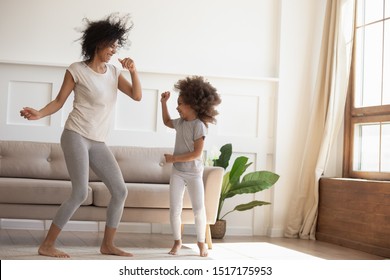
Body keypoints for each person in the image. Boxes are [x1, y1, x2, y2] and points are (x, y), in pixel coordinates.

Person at [19, 13, 142, 258]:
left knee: (120, 190)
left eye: (116, 46)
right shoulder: (77, 70)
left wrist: (133, 71)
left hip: (98, 141)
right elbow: (58, 102)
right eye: (111, 45)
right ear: (98, 43)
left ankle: (107, 245)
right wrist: (39, 114)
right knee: (80, 192)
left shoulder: (114, 72)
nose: (113, 50)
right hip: (75, 135)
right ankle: (47, 245)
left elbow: (137, 96)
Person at [160, 76, 221, 257]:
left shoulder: (199, 126)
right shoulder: (180, 123)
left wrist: (174, 158)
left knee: (198, 209)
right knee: (175, 208)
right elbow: (166, 121)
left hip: (194, 173)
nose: (177, 107)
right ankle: (177, 242)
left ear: (192, 105)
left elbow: (196, 154)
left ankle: (201, 243)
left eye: (180, 104)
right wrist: (164, 103)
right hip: (178, 173)